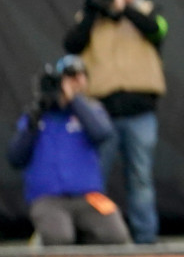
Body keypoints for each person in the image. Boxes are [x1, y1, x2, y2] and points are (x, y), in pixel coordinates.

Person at [62, 0, 167, 245]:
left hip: (140, 110)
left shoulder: (147, 10)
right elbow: (71, 45)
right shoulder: (92, 17)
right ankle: (93, 236)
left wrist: (125, 7)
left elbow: (157, 30)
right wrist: (92, 8)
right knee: (94, 178)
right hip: (101, 113)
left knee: (141, 178)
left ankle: (145, 239)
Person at [6, 57, 131, 246]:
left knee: (116, 235)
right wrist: (35, 119)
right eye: (70, 77)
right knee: (59, 238)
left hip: (88, 196)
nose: (76, 81)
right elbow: (15, 158)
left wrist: (73, 99)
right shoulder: (39, 116)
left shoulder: (92, 110)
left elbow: (102, 133)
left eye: (81, 76)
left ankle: (85, 241)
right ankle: (44, 238)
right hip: (49, 198)